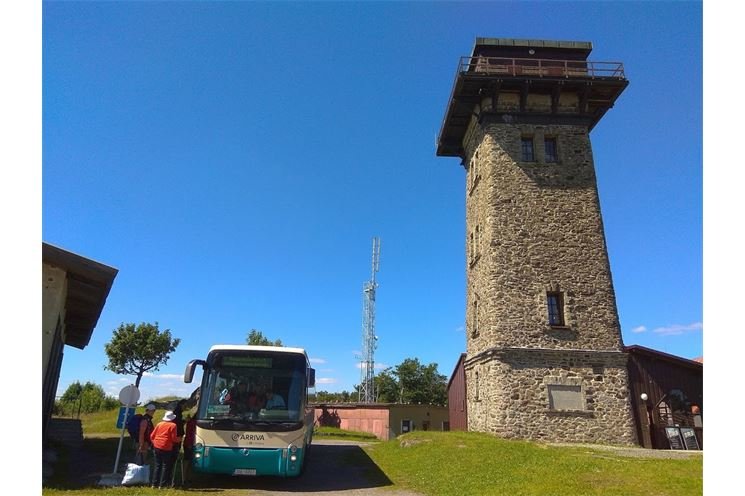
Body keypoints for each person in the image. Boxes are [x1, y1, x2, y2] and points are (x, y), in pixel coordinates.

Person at [150, 410, 182, 488]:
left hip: (157, 446)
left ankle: (154, 484)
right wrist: (180, 439)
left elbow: (152, 436)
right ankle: (162, 484)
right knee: (165, 466)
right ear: (172, 418)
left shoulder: (159, 424)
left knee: (157, 465)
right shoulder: (173, 425)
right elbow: (174, 439)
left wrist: (154, 443)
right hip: (166, 447)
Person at [170, 399, 187, 485]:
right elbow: (177, 424)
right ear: (181, 405)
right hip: (176, 438)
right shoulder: (177, 414)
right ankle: (171, 476)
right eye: (185, 405)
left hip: (177, 437)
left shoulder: (177, 413)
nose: (185, 407)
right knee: (173, 456)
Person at [182, 411, 197, 486]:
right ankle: (185, 478)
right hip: (189, 444)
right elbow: (191, 434)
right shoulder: (193, 423)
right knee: (187, 462)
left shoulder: (190, 421)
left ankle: (186, 478)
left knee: (188, 462)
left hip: (188, 443)